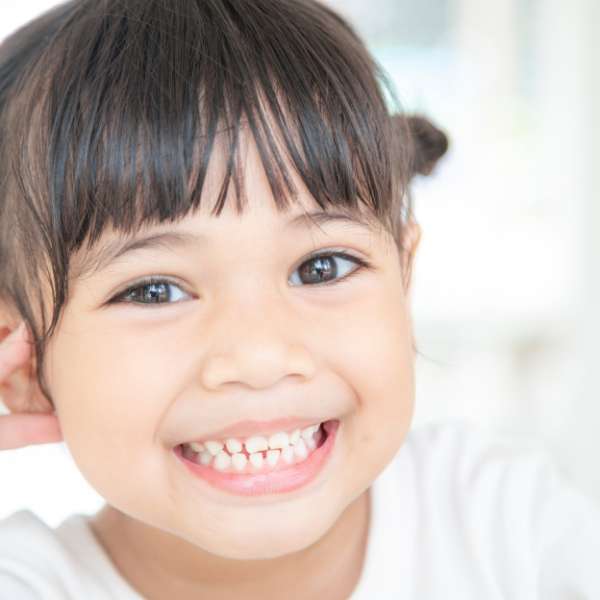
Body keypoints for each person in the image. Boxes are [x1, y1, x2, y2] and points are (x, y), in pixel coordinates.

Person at [0, 1, 598, 598]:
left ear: (403, 280)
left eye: (321, 267)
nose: (261, 357)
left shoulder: (501, 526)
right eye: (154, 290)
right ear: (20, 357)